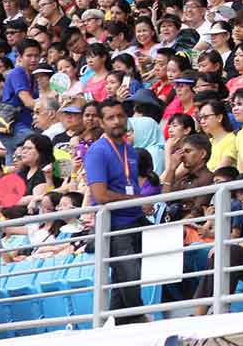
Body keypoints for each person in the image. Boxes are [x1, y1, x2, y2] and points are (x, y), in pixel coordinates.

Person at [85, 99, 144, 323]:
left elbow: (129, 184)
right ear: (101, 122)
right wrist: (134, 199)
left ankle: (118, 330)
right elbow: (100, 195)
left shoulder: (129, 149)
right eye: (110, 117)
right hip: (115, 225)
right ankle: (142, 322)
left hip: (135, 220)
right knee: (129, 277)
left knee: (124, 282)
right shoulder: (97, 151)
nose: (117, 121)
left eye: (120, 115)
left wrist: (139, 201)